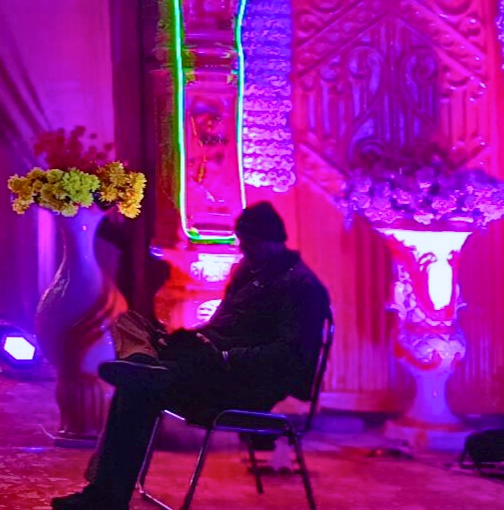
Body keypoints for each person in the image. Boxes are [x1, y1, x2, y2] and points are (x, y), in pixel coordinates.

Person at [52, 201, 330, 510]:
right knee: (127, 324)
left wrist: (227, 356)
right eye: (242, 241)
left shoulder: (303, 287)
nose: (243, 249)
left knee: (137, 388)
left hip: (247, 382)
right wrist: (192, 338)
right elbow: (220, 324)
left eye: (250, 243)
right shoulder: (249, 271)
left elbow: (291, 357)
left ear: (272, 241)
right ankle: (148, 363)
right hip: (209, 364)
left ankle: (105, 495)